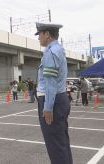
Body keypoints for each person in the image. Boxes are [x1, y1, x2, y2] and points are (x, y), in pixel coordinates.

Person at [35, 22, 72, 164]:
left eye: (40, 34)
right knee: (61, 142)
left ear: (47, 34)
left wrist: (48, 107)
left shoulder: (50, 52)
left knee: (55, 146)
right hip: (60, 98)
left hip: (51, 101)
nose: (38, 38)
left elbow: (50, 83)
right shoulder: (59, 49)